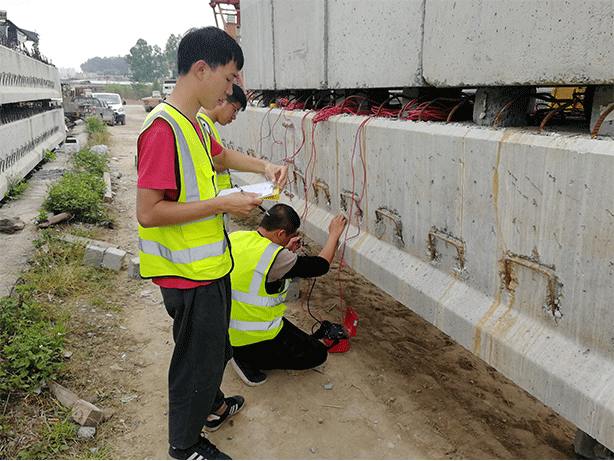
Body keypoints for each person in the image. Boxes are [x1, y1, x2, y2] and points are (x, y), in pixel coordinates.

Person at [136, 26, 288, 460]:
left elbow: (221, 157)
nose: (230, 90)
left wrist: (265, 164)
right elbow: (148, 212)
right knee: (195, 361)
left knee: (218, 347)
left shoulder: (194, 124)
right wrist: (221, 206)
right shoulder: (163, 130)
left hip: (210, 265)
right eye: (229, 79)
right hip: (187, 274)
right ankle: (184, 446)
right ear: (201, 70)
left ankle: (214, 406)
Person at [227, 203, 347, 386]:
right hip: (254, 336)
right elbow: (320, 265)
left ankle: (235, 349)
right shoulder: (276, 257)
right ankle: (245, 358)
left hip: (227, 326)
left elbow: (256, 268)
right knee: (318, 354)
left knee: (299, 337)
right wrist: (334, 235)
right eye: (289, 236)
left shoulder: (236, 237)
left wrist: (285, 250)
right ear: (281, 233)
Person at [198, 83, 247, 191]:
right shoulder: (201, 124)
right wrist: (232, 161)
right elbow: (206, 166)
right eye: (235, 110)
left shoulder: (208, 124)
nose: (234, 117)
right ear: (222, 100)